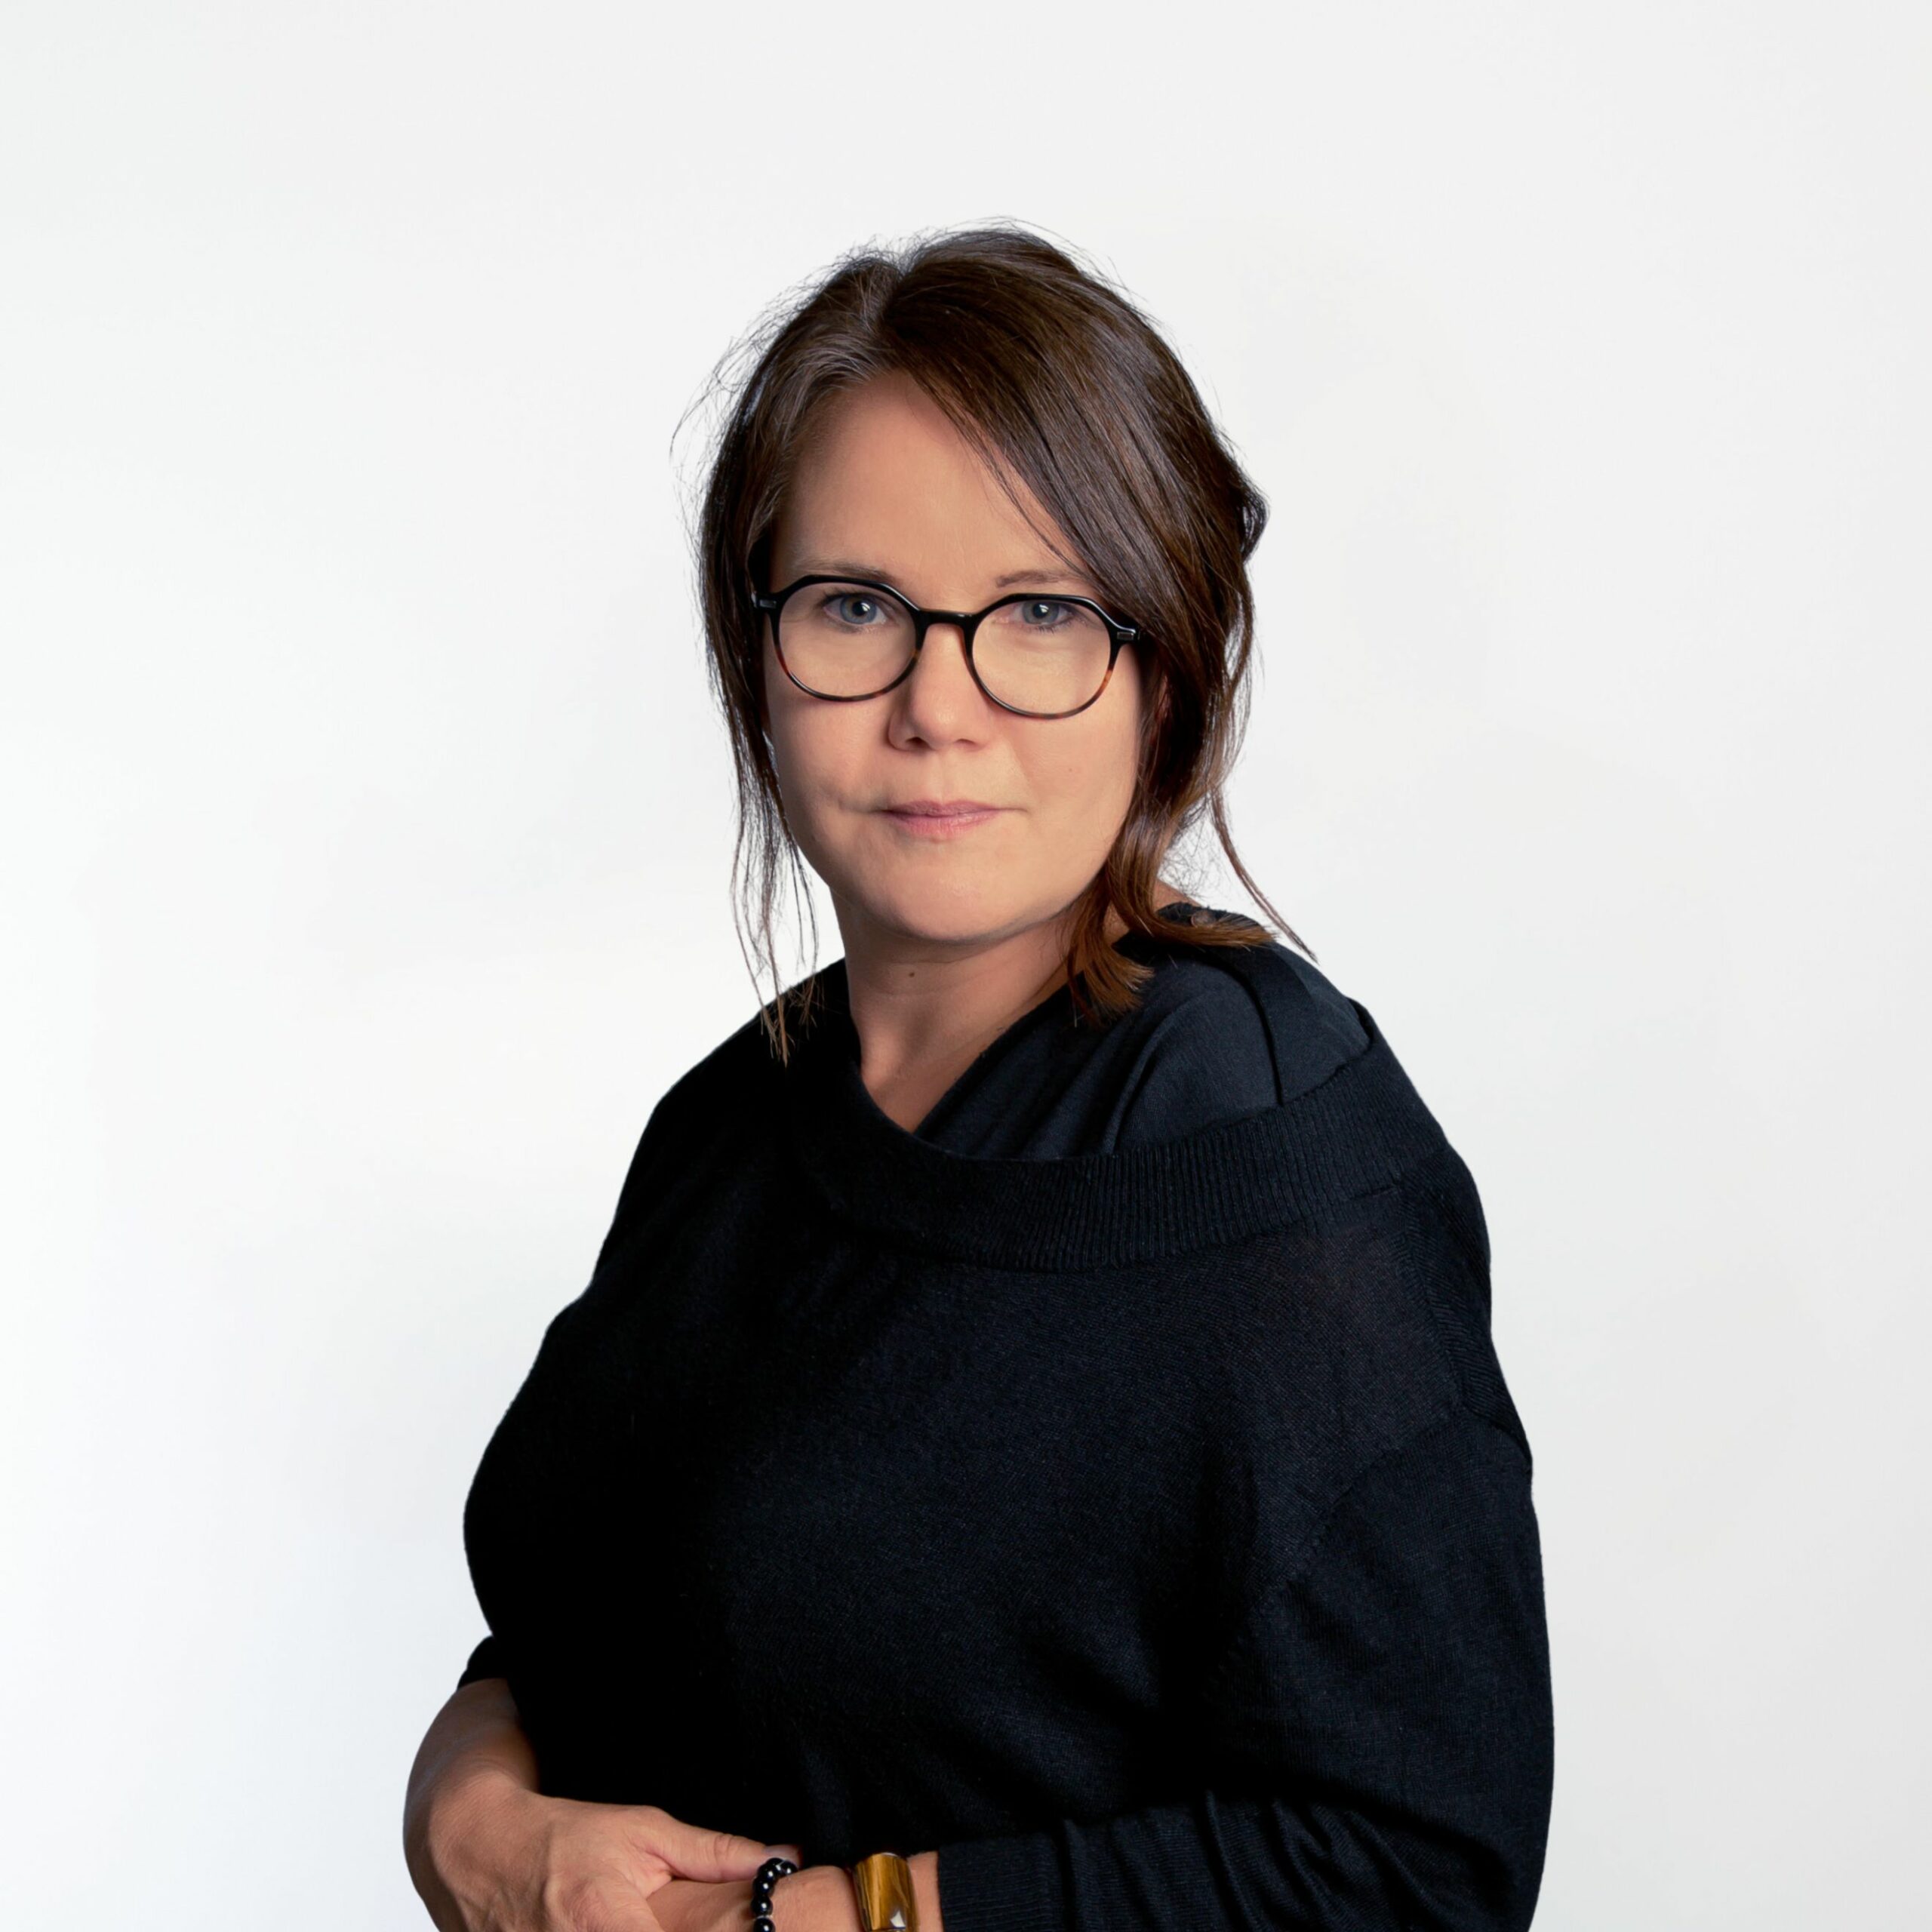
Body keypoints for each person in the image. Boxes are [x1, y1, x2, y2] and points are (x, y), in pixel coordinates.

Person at [401, 224, 1555, 1932]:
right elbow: (590, 1628)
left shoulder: (1276, 1174)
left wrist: (814, 1919)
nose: (936, 703)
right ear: (756, 657)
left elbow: (1413, 1865)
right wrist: (471, 1813)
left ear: (1164, 671)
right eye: (855, 605)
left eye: (1040, 614)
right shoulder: (728, 1125)